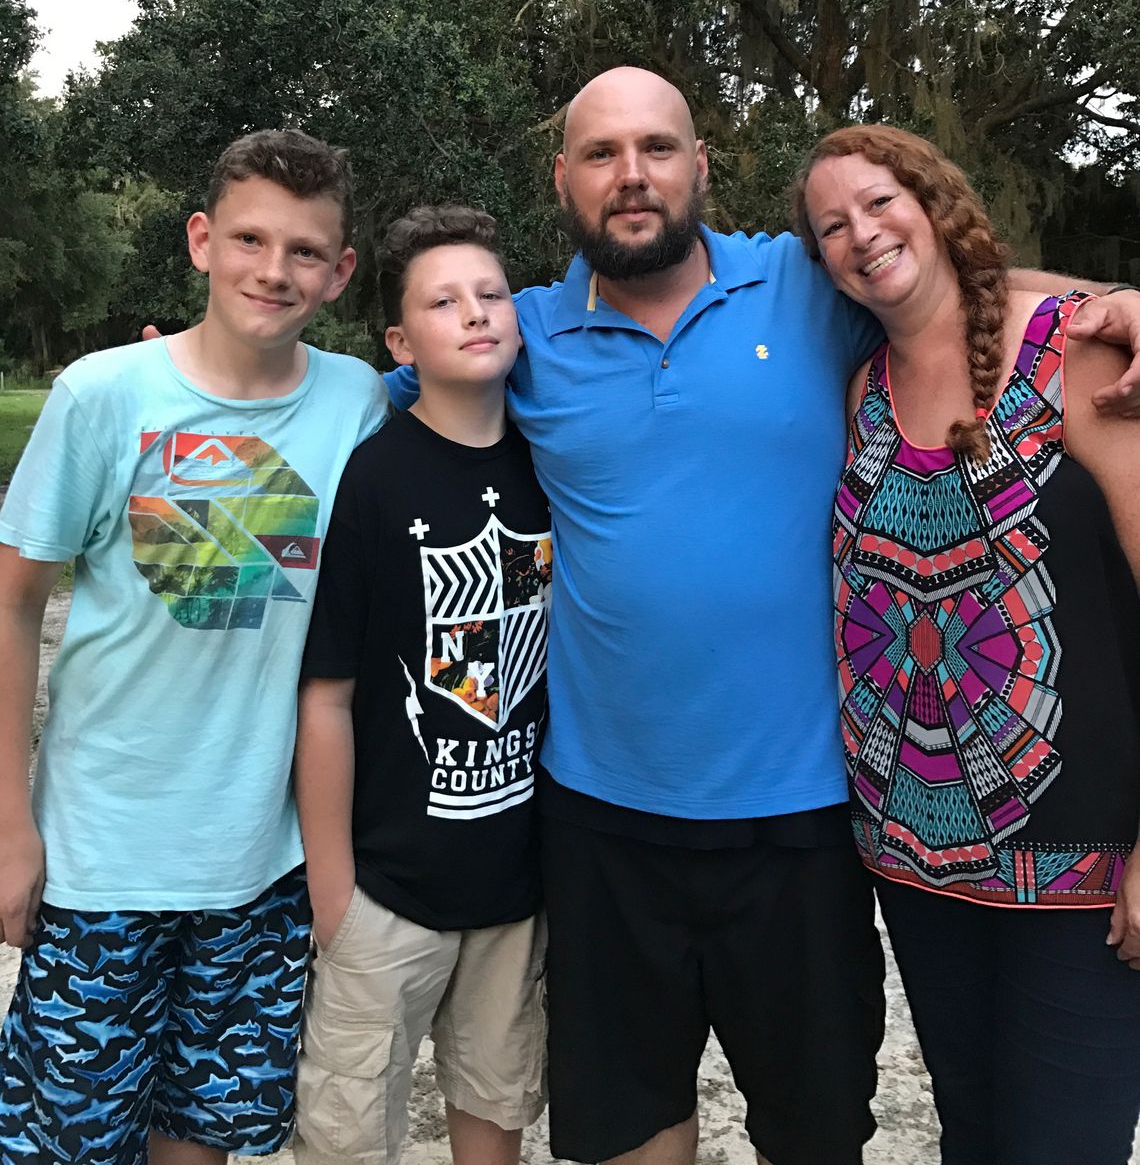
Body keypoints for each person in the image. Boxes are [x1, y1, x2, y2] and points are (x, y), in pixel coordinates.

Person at [385, 66, 1140, 1165]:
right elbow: (384, 387)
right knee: (629, 1126)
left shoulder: (801, 284)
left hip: (806, 821)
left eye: (656, 147)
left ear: (702, 164)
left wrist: (1121, 299)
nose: (631, 174)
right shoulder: (522, 334)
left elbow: (937, 274)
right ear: (564, 179)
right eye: (601, 153)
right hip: (603, 816)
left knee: (819, 1131)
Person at [0, 130, 388, 1165]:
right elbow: (11, 602)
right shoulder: (102, 394)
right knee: (66, 1146)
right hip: (99, 859)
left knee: (200, 1140)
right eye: (251, 238)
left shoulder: (356, 402)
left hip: (261, 868)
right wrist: (9, 824)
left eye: (307, 250)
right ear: (201, 240)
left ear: (342, 272)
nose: (275, 268)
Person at [794, 124, 1140, 1165]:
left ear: (935, 199)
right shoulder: (859, 390)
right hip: (918, 860)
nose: (863, 234)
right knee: (973, 1135)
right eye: (832, 227)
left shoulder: (1076, 352)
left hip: (1082, 869)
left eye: (880, 201)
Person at [293, 205, 550, 1165]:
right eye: (443, 302)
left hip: (514, 890)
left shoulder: (551, 466)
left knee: (496, 1105)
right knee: (349, 1132)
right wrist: (333, 890)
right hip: (385, 889)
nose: (475, 314)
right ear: (401, 340)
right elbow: (327, 695)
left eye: (491, 295)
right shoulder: (374, 478)